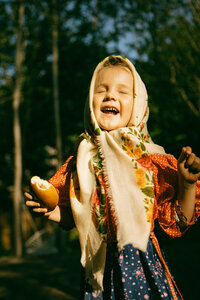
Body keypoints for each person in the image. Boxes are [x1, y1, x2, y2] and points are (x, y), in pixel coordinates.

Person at [25, 55, 200, 300]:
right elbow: (79, 216)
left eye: (123, 91)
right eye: (102, 90)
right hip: (99, 273)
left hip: (142, 266)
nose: (110, 96)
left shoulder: (150, 159)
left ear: (138, 105)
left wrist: (188, 184)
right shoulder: (82, 159)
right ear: (90, 101)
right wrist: (53, 211)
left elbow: (179, 220)